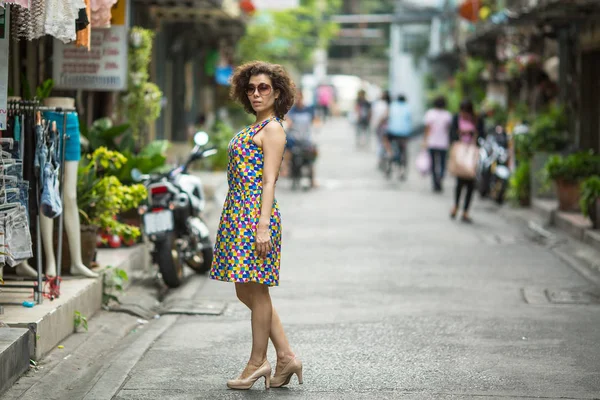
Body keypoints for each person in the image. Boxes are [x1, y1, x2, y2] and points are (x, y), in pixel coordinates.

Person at [209, 61, 302, 390]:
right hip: (237, 213)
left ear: (277, 92)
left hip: (254, 215)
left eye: (263, 88)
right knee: (245, 289)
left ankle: (257, 362)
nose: (256, 93)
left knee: (256, 290)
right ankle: (286, 357)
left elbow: (268, 182)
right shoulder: (255, 128)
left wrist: (262, 225)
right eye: (250, 88)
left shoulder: (273, 129)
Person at [449, 99, 482, 223]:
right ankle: (456, 206)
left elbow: (482, 134)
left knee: (471, 184)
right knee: (459, 182)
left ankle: (466, 211)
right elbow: (452, 134)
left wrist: (473, 134)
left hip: (472, 154)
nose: (463, 114)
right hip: (460, 153)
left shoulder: (477, 120)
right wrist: (460, 135)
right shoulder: (456, 118)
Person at [287, 91, 318, 187]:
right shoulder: (292, 111)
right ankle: (287, 170)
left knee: (312, 156)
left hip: (306, 139)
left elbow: (316, 121)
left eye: (299, 97)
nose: (297, 100)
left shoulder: (309, 109)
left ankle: (312, 180)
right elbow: (288, 121)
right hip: (294, 139)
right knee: (287, 151)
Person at [423, 96, 453, 192]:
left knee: (433, 163)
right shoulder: (447, 115)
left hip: (432, 142)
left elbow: (427, 129)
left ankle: (435, 182)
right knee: (442, 163)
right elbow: (448, 129)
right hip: (443, 142)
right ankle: (440, 177)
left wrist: (425, 140)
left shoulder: (430, 113)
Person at [385, 94, 412, 180]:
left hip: (392, 132)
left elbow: (387, 117)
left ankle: (389, 163)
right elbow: (409, 119)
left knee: (389, 146)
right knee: (403, 151)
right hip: (404, 133)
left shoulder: (392, 106)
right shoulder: (408, 107)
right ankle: (403, 170)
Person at [371, 91, 391, 169]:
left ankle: (384, 156)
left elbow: (375, 115)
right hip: (388, 128)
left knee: (380, 143)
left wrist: (377, 124)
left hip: (381, 127)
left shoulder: (379, 105)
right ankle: (387, 154)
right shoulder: (389, 105)